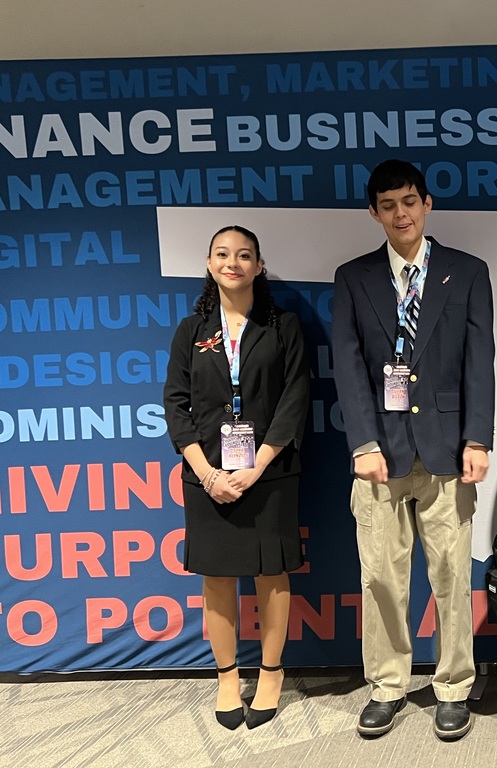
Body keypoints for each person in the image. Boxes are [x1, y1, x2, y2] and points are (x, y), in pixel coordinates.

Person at [332, 159, 495, 741]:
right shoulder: (353, 278)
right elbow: (348, 369)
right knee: (380, 576)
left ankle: (453, 685)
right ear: (373, 212)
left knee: (453, 574)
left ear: (427, 204)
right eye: (388, 204)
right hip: (380, 455)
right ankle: (387, 685)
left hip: (448, 451)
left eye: (410, 201)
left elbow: (481, 361)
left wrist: (477, 437)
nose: (401, 213)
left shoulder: (467, 272)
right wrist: (363, 444)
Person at [164, 225, 310, 730]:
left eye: (244, 254)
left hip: (268, 474)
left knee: (273, 573)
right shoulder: (191, 331)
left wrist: (257, 465)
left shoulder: (283, 326)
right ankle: (227, 677)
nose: (234, 262)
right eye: (223, 254)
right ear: (209, 265)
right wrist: (207, 475)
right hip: (207, 477)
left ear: (259, 265)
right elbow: (175, 406)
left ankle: (271, 673)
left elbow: (295, 400)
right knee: (218, 577)